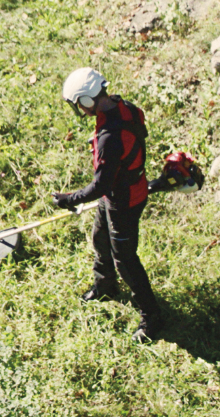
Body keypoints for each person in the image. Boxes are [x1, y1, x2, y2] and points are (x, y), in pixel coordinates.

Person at [51, 67, 162, 341]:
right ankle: (105, 285)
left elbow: (100, 185)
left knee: (126, 260)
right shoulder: (125, 107)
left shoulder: (109, 138)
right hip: (118, 191)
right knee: (100, 237)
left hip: (125, 200)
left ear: (87, 100)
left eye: (79, 104)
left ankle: (152, 316)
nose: (80, 110)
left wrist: (69, 199)